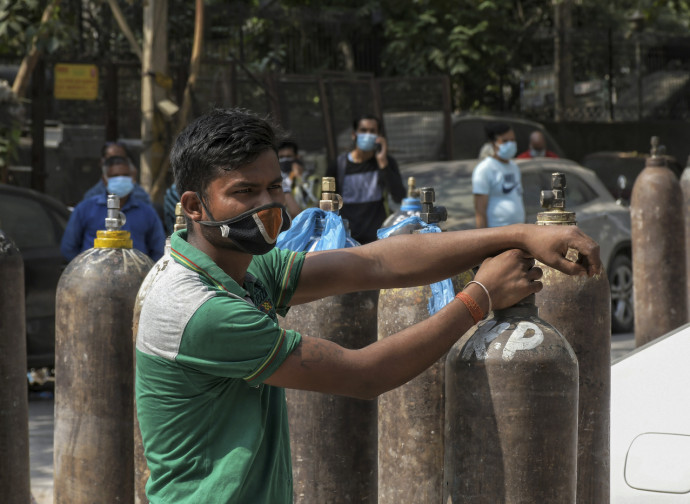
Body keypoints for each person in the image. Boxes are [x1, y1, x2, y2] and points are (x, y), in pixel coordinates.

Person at [134, 108, 602, 504]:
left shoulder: (243, 268)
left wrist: (520, 234)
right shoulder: (201, 309)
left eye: (274, 188)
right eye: (244, 192)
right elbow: (363, 375)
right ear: (194, 206)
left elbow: (375, 263)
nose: (268, 205)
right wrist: (479, 297)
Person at [61, 155, 166, 262]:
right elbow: (68, 248)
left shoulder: (147, 212)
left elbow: (159, 250)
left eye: (125, 175)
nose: (120, 180)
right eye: (114, 176)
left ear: (133, 178)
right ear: (104, 179)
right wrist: (86, 271)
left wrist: (145, 272)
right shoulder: (85, 209)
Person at [325, 114, 405, 244]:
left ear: (379, 136)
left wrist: (383, 164)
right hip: (347, 240)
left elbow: (399, 197)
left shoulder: (385, 162)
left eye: (372, 131)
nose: (368, 135)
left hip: (378, 239)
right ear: (354, 134)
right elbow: (326, 205)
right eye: (363, 130)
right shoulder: (338, 166)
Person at [472, 122, 526, 229]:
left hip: (519, 232)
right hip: (497, 234)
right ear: (494, 143)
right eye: (505, 141)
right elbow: (480, 211)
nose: (510, 144)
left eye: (512, 140)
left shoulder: (514, 167)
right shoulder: (485, 169)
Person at [82, 141, 151, 203]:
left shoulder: (141, 196)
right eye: (111, 160)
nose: (116, 164)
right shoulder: (91, 197)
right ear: (102, 163)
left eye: (120, 159)